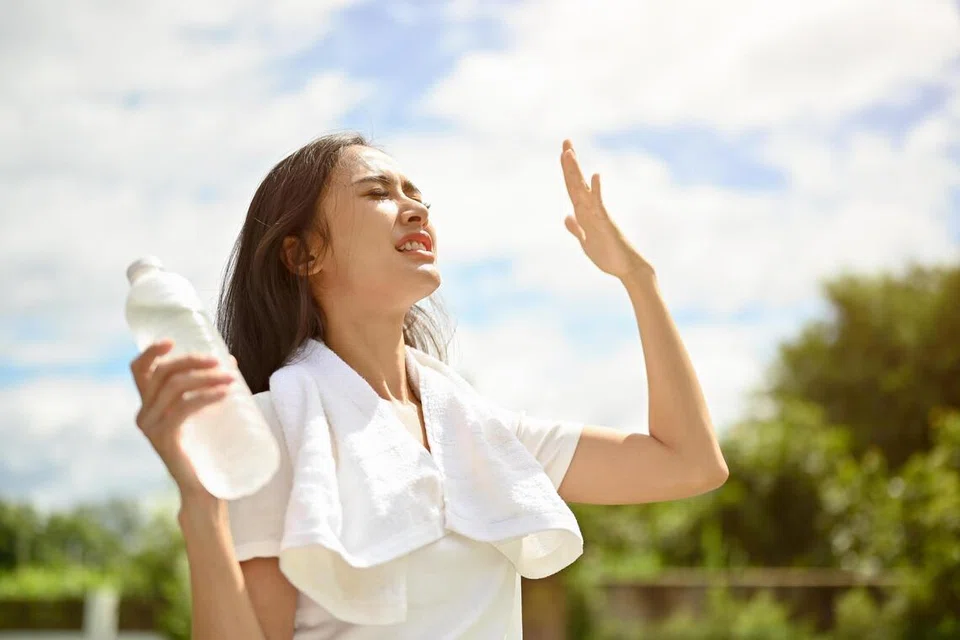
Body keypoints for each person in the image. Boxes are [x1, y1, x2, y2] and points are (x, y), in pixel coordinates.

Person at [128, 132, 728, 639]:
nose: (415, 209)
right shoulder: (273, 431)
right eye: (377, 194)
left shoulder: (483, 438)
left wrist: (638, 278)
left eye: (417, 196)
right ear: (304, 253)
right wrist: (202, 510)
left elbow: (690, 462)